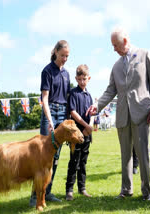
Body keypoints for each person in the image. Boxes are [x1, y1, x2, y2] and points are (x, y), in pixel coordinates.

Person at [86, 28, 150, 201]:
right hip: (122, 116)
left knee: (142, 155)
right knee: (125, 155)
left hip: (142, 113)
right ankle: (126, 190)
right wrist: (98, 105)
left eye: (116, 45)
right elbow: (110, 90)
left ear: (125, 40)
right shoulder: (116, 66)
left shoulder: (144, 55)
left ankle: (146, 192)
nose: (114, 49)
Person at [29, 40, 71, 206]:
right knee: (43, 158)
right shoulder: (47, 71)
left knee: (55, 156)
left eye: (67, 56)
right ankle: (34, 196)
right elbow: (44, 99)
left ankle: (47, 191)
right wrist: (49, 119)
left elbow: (67, 99)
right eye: (62, 55)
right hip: (50, 112)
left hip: (63, 113)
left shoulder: (67, 74)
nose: (64, 59)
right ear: (55, 52)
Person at [65, 64, 93, 201]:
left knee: (83, 162)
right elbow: (73, 112)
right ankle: (69, 190)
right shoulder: (73, 93)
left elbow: (92, 113)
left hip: (87, 134)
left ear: (89, 78)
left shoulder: (89, 95)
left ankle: (82, 188)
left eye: (84, 79)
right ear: (76, 79)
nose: (82, 81)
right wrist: (86, 125)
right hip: (76, 135)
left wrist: (90, 127)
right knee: (74, 161)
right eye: (80, 79)